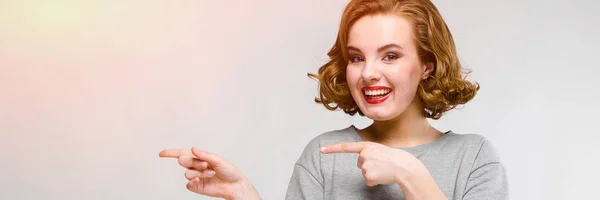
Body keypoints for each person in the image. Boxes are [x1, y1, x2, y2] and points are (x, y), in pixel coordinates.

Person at [159, 0, 509, 199]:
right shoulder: (324, 156)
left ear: (427, 66)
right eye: (357, 57)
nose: (368, 72)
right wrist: (244, 194)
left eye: (390, 56)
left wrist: (410, 173)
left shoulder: (474, 158)